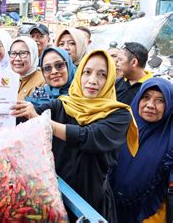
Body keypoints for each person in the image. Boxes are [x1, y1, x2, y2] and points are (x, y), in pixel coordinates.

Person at [12, 50, 139, 221]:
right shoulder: (62, 104)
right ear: (79, 74)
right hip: (54, 195)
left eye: (102, 75)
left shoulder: (119, 114)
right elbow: (19, 118)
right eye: (87, 72)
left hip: (90, 202)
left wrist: (43, 122)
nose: (93, 80)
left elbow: (89, 137)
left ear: (110, 80)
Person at [112, 78, 172, 223]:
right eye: (146, 97)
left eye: (160, 100)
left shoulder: (170, 139)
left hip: (146, 215)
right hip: (107, 205)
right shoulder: (121, 126)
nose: (150, 105)